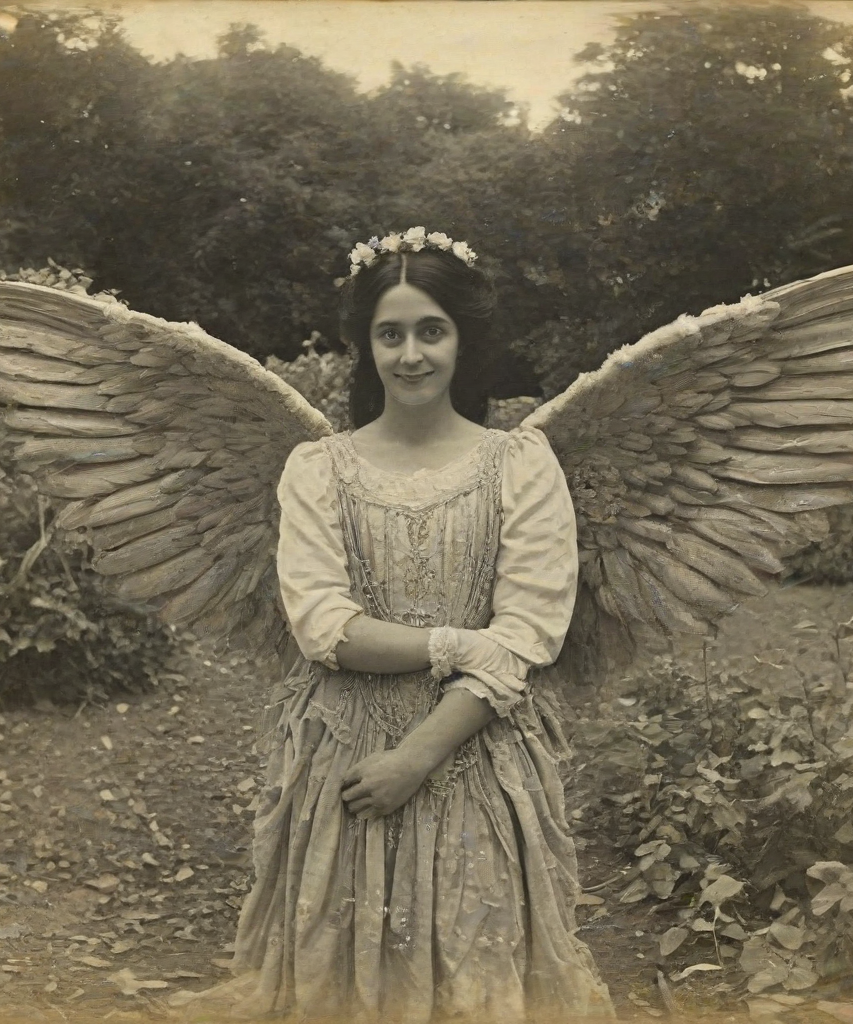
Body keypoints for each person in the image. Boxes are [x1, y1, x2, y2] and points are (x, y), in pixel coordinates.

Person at [197, 229, 614, 1022]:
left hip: (478, 759)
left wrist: (416, 758)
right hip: (344, 763)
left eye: (431, 330)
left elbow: (527, 635)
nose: (411, 354)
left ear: (462, 340)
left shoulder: (519, 464)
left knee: (475, 971)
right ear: (366, 345)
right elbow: (325, 627)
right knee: (346, 974)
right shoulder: (320, 470)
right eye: (390, 334)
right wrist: (460, 644)